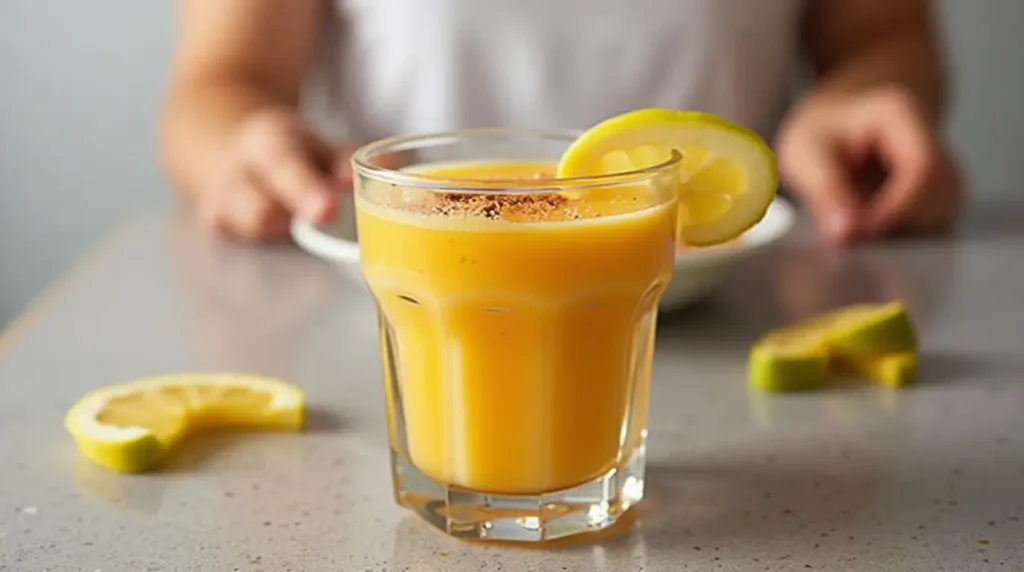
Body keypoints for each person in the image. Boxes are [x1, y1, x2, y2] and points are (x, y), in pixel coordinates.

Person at [158, 0, 964, 246]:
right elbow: (218, 87)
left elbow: (883, 39)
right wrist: (246, 144)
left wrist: (859, 100)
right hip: (394, 314)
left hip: (748, 294)